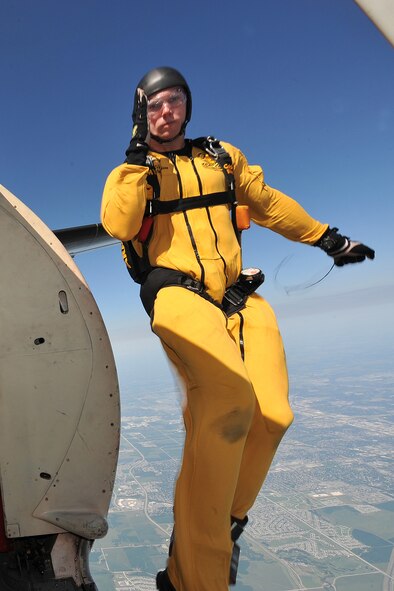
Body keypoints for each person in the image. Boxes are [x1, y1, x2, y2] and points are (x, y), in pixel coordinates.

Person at [101, 66, 374, 591]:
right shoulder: (133, 172)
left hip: (236, 296)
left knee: (272, 413)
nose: (166, 112)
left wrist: (328, 240)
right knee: (228, 404)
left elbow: (267, 204)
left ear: (187, 105)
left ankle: (228, 521)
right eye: (154, 105)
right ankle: (191, 577)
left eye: (174, 100)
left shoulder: (222, 156)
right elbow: (119, 223)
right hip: (176, 294)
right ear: (141, 113)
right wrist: (138, 160)